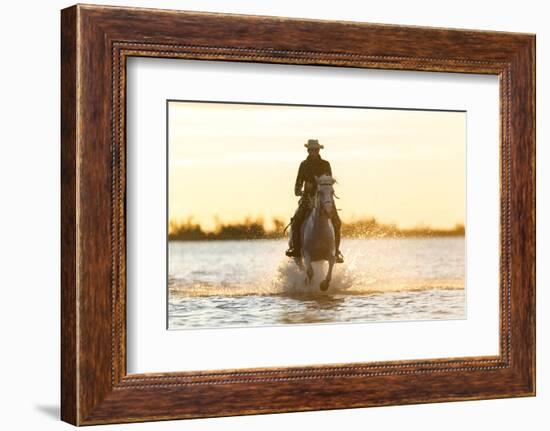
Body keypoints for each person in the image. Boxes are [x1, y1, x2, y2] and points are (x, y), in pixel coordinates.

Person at [285, 139, 344, 263]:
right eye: (312, 149)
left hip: (325, 198)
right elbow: (298, 184)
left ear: (318, 150)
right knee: (296, 221)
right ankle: (296, 249)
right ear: (308, 150)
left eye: (316, 149)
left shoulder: (325, 164)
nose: (314, 151)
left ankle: (336, 252)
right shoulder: (303, 165)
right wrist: (299, 191)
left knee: (337, 222)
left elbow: (328, 181)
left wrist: (320, 188)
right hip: (308, 198)